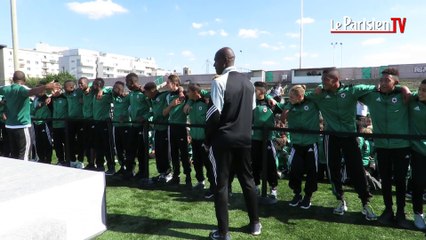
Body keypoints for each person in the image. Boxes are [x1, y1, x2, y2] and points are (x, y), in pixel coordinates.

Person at [305, 67, 377, 220]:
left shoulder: (351, 91)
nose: (322, 83)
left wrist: (401, 88)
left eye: (325, 80)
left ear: (335, 80)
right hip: (331, 136)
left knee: (356, 168)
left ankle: (365, 202)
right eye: (322, 80)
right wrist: (315, 90)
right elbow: (299, 96)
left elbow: (375, 87)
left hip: (350, 136)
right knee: (333, 169)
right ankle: (340, 200)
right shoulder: (320, 95)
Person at [206, 47, 261, 240]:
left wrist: (208, 140)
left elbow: (214, 116)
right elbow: (252, 114)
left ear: (223, 60)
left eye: (215, 61)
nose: (213, 65)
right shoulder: (249, 83)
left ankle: (223, 233)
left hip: (224, 140)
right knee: (248, 181)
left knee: (221, 186)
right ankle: (255, 224)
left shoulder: (219, 81)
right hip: (245, 139)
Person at [359, 68, 411, 228]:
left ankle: (401, 213)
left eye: (386, 80)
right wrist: (371, 87)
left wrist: (406, 89)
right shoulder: (373, 96)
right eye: (381, 80)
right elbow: (355, 93)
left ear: (395, 82)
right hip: (382, 146)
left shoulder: (404, 96)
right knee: (385, 180)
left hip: (401, 146)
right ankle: (388, 210)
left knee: (401, 181)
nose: (382, 83)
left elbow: (418, 95)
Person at [0, 71, 60, 160]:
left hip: (9, 126)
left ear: (13, 79)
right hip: (22, 125)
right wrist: (46, 86)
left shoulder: (6, 88)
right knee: (24, 155)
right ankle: (23, 173)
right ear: (24, 80)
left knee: (14, 154)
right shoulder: (22, 88)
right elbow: (32, 91)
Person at [281, 84, 320, 209]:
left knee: (311, 171)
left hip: (310, 143)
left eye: (292, 97)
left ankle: (308, 196)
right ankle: (297, 194)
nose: (290, 98)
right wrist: (288, 108)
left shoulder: (312, 103)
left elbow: (320, 90)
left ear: (300, 96)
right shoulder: (289, 105)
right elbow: (282, 119)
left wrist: (312, 91)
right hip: (296, 143)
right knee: (294, 170)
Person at [251, 81, 280, 199]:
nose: (253, 92)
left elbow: (282, 108)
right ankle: (255, 186)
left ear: (262, 91)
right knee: (254, 164)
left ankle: (273, 188)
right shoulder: (250, 103)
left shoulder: (270, 103)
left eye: (256, 89)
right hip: (254, 138)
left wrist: (270, 98)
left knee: (270, 164)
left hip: (267, 139)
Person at [163, 74, 192, 186]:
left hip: (182, 127)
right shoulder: (167, 96)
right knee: (173, 153)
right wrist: (171, 105)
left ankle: (188, 177)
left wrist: (181, 92)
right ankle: (176, 176)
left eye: (168, 82)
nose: (166, 84)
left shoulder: (184, 94)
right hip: (171, 127)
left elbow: (191, 99)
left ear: (175, 84)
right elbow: (164, 113)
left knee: (184, 153)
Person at [186, 83, 214, 193]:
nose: (187, 93)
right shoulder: (191, 102)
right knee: (197, 162)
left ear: (195, 92)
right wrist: (188, 102)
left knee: (208, 162)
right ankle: (200, 182)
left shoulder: (206, 101)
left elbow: (214, 94)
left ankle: (212, 184)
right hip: (195, 137)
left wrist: (201, 92)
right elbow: (180, 93)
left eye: (188, 91)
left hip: (205, 139)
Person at [144, 81, 172, 182]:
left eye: (146, 92)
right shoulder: (151, 99)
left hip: (165, 128)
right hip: (157, 129)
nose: (146, 94)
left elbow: (176, 91)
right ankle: (162, 173)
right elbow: (152, 112)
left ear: (152, 91)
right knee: (158, 152)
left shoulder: (163, 95)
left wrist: (181, 90)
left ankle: (168, 173)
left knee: (164, 152)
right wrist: (147, 118)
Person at [125, 73, 151, 179]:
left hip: (142, 126)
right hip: (133, 125)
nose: (126, 84)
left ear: (132, 82)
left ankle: (143, 172)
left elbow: (152, 108)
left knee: (141, 150)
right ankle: (130, 171)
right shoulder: (131, 94)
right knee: (130, 149)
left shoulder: (144, 93)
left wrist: (145, 117)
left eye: (127, 82)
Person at [409, 79, 426, 230]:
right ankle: (418, 213)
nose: (420, 92)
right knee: (418, 183)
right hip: (418, 151)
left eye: (424, 91)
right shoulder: (413, 102)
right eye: (420, 89)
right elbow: (404, 91)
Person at [64, 80, 85, 168]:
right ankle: (72, 160)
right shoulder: (65, 95)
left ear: (72, 87)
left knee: (81, 141)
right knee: (70, 141)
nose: (64, 89)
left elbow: (89, 91)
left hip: (80, 120)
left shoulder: (79, 92)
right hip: (70, 121)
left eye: (66, 87)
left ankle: (80, 161)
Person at [112, 81, 131, 175]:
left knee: (127, 148)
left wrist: (124, 116)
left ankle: (130, 169)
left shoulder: (128, 97)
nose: (113, 89)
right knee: (118, 149)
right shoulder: (114, 97)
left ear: (121, 89)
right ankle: (122, 166)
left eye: (115, 88)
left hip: (126, 126)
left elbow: (132, 108)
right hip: (116, 126)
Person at [78, 77, 96, 169]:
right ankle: (90, 162)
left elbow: (104, 87)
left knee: (93, 143)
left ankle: (93, 163)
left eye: (82, 83)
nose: (80, 85)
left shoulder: (93, 91)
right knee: (86, 143)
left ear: (87, 83)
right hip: (85, 121)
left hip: (93, 120)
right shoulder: (81, 93)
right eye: (79, 84)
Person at [32, 85, 53, 164]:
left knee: (47, 142)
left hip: (44, 123)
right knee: (38, 142)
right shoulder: (35, 99)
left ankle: (48, 159)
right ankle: (41, 158)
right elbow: (32, 109)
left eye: (38, 90)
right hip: (36, 123)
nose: (37, 92)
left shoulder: (47, 99)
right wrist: (36, 107)